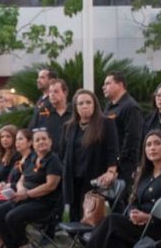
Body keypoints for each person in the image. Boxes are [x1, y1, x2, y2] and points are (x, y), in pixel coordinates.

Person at [0, 128, 62, 248]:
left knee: (11, 216)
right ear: (33, 144)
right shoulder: (33, 157)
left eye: (44, 139)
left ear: (50, 142)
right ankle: (18, 244)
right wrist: (21, 189)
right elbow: (22, 178)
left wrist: (27, 194)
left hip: (43, 203)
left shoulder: (53, 160)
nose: (41, 142)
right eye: (37, 140)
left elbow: (50, 186)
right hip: (25, 197)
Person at [61, 90, 119, 223]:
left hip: (94, 177)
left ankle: (92, 242)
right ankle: (79, 240)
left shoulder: (105, 123)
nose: (85, 106)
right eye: (80, 103)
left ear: (95, 105)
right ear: (75, 107)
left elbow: (113, 150)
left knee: (90, 214)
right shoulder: (68, 127)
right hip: (73, 177)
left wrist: (111, 171)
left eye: (88, 102)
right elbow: (63, 153)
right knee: (74, 214)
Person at [102, 72, 143, 196]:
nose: (104, 87)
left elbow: (132, 137)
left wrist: (119, 161)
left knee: (122, 201)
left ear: (120, 85)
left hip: (124, 166)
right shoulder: (109, 107)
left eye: (108, 83)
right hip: (110, 164)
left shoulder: (130, 107)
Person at [27, 79, 72, 150]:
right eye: (50, 92)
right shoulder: (42, 112)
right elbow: (30, 133)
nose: (52, 94)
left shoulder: (74, 112)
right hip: (49, 157)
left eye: (56, 91)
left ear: (65, 93)